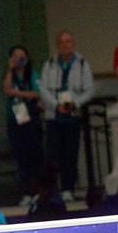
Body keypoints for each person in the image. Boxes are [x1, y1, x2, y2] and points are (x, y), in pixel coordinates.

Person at [38, 31, 94, 202]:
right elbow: (43, 88)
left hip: (72, 114)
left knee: (70, 153)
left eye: (68, 41)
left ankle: (69, 188)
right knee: (53, 154)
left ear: (73, 43)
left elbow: (90, 89)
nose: (65, 45)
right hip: (54, 115)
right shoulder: (49, 64)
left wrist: (74, 104)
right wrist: (56, 105)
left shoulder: (82, 64)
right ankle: (52, 190)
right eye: (61, 42)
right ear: (57, 45)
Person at [3, 45, 43, 204]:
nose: (19, 59)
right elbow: (6, 90)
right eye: (15, 56)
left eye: (22, 56)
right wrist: (10, 69)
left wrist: (17, 93)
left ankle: (38, 192)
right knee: (21, 159)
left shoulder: (32, 75)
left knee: (35, 157)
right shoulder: (10, 75)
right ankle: (26, 192)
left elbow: (36, 93)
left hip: (31, 121)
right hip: (16, 122)